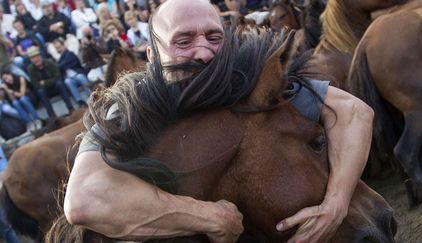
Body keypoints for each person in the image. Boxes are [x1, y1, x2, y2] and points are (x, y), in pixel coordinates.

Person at [64, 0, 373, 243]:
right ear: (153, 55)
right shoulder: (128, 110)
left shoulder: (246, 82)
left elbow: (354, 113)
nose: (203, 53)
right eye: (183, 41)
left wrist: (336, 203)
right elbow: (84, 199)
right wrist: (209, 217)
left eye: (213, 37)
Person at [26, 46, 75, 118]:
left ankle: (70, 108)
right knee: (40, 91)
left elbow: (58, 77)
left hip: (55, 87)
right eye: (33, 58)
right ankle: (52, 116)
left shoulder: (49, 62)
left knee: (60, 84)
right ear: (31, 60)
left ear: (40, 56)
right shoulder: (30, 69)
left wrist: (44, 82)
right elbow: (36, 85)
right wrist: (50, 81)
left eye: (37, 56)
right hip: (45, 91)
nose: (36, 59)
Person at [53, 38, 91, 107]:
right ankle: (80, 101)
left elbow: (63, 64)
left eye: (59, 47)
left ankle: (91, 95)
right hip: (70, 79)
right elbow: (59, 67)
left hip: (78, 74)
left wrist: (59, 65)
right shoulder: (60, 59)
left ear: (63, 45)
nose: (58, 50)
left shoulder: (70, 54)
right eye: (57, 48)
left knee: (81, 77)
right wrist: (59, 65)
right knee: (67, 81)